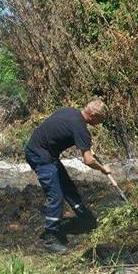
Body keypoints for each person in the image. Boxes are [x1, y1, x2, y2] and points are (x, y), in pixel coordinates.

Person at [24, 99, 110, 253]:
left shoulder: (70, 112)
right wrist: (103, 169)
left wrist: (85, 146)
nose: (100, 123)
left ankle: (85, 218)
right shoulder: (81, 129)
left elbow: (60, 130)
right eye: (100, 119)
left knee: (67, 186)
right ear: (93, 115)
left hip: (43, 151)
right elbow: (88, 160)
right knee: (56, 196)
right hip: (40, 156)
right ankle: (50, 237)